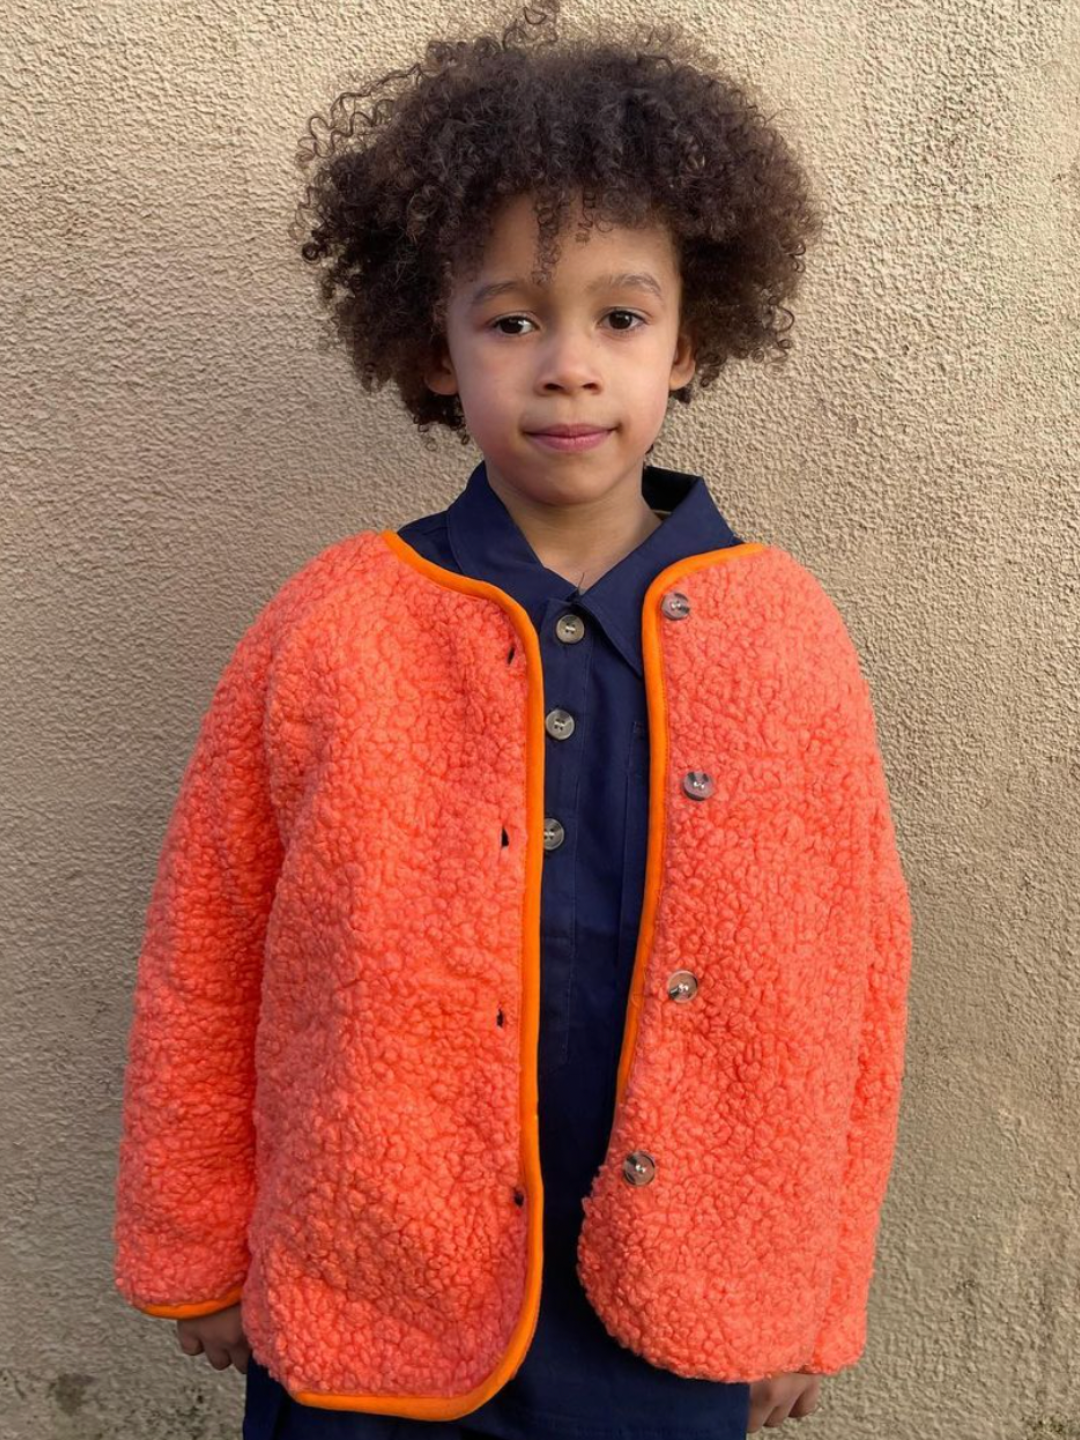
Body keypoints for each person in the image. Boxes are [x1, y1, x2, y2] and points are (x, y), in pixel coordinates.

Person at [112, 3, 914, 1437]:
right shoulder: (334, 625)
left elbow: (859, 987)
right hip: (368, 1295)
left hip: (672, 1321)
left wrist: (813, 1285)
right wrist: (195, 1246)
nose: (567, 363)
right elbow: (206, 944)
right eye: (512, 319)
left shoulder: (785, 634)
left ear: (688, 342)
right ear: (434, 350)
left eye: (620, 314)